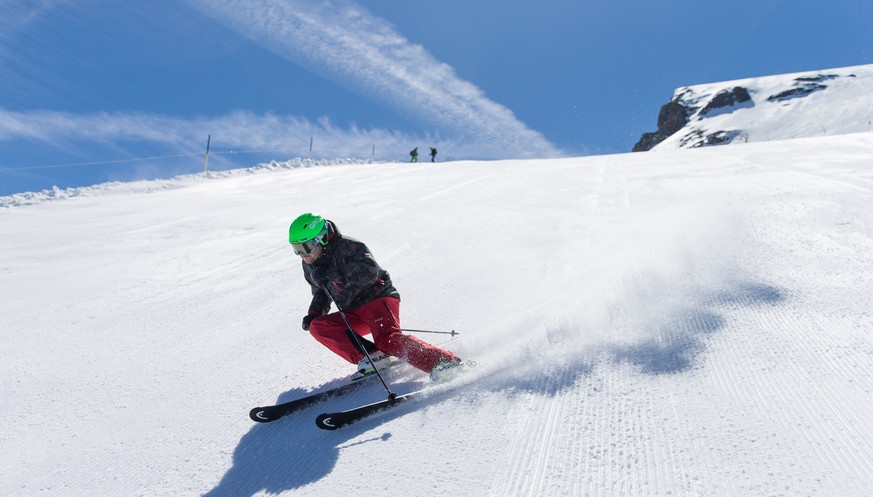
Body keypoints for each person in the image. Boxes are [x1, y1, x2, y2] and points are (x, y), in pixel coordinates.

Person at [289, 212, 462, 381]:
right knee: (318, 326)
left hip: (377, 300)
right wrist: (314, 313)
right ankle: (374, 357)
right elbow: (321, 291)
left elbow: (369, 272)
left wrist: (331, 274)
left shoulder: (349, 246)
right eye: (296, 250)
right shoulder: (310, 265)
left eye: (306, 248)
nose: (302, 255)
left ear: (322, 238)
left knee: (387, 340)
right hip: (352, 311)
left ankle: (445, 362)